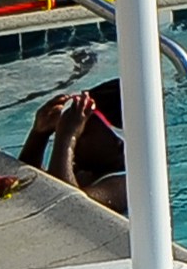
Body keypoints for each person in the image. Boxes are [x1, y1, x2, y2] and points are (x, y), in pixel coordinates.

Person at [22, 67, 127, 210]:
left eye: (84, 123)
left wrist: (67, 137)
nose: (76, 127)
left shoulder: (125, 185)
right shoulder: (86, 171)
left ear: (119, 143)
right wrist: (39, 135)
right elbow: (28, 186)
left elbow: (66, 207)